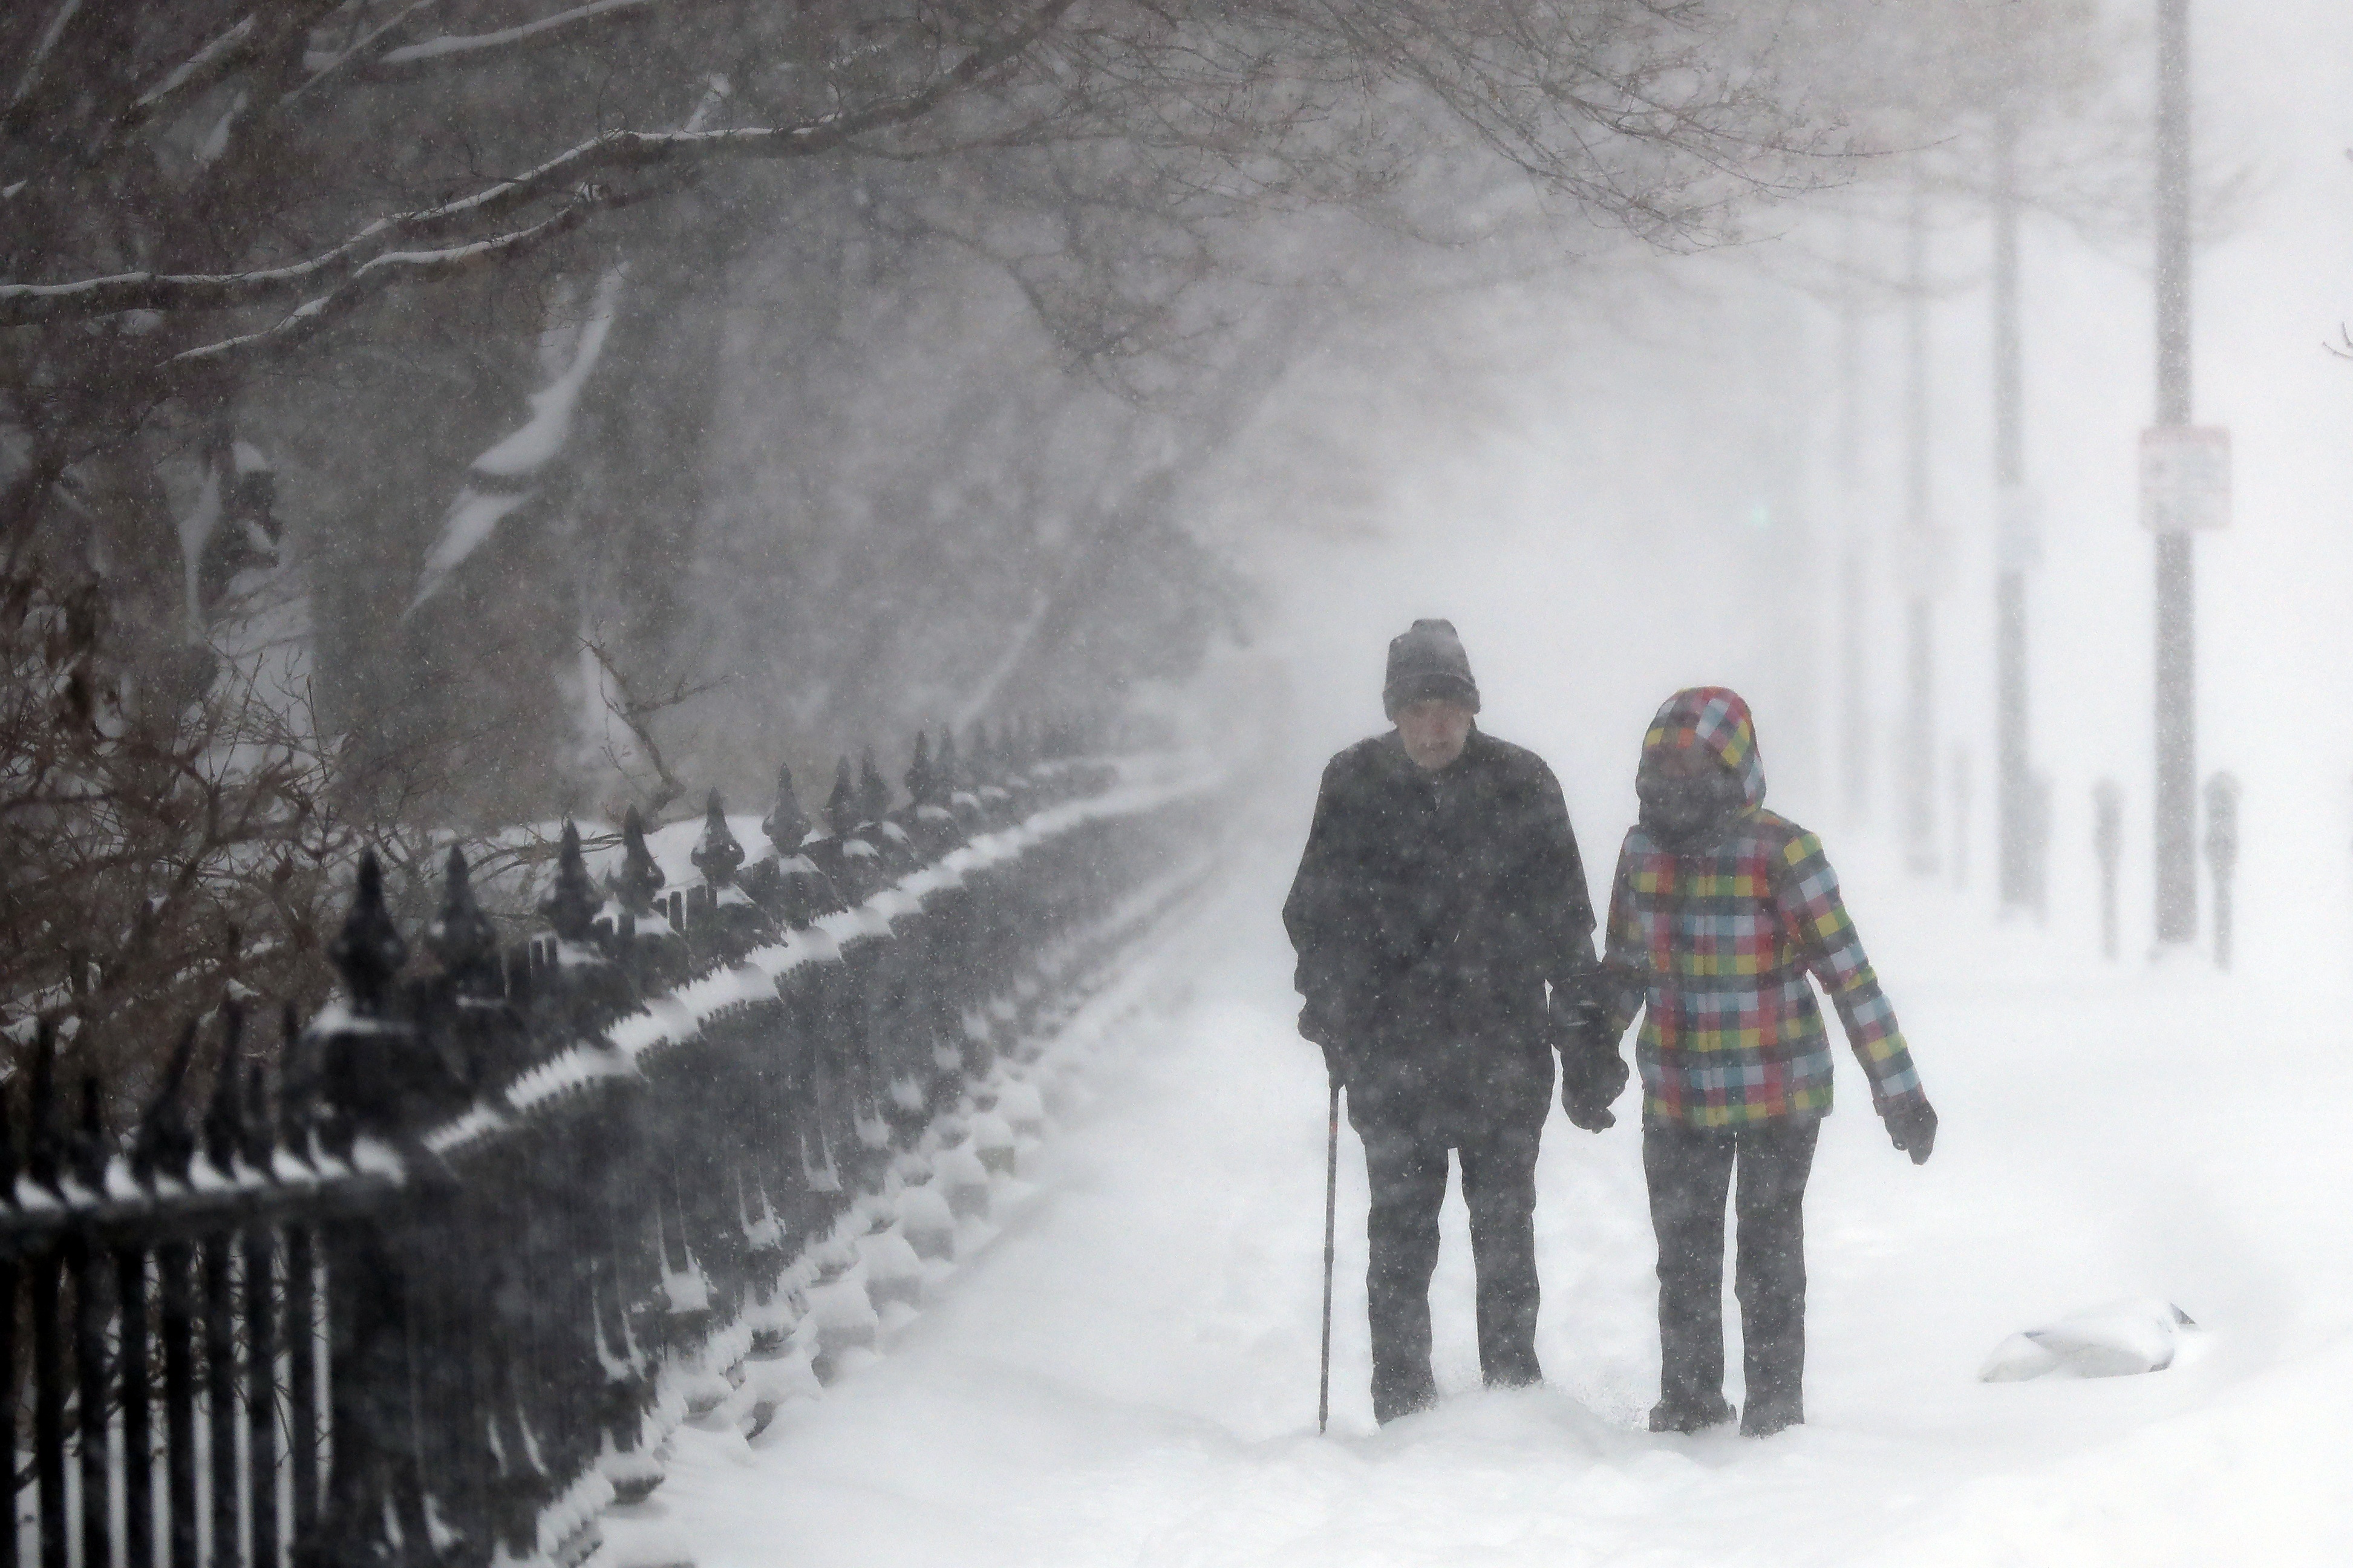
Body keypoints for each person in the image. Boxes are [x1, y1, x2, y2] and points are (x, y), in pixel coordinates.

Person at [1283, 618, 1622, 1425]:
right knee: (1400, 1236)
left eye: (1446, 708)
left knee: (1505, 1229)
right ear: (1393, 714)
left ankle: (1512, 1397)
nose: (1432, 727)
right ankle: (1401, 1403)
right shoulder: (1353, 783)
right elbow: (1314, 912)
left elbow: (1566, 926)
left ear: (1471, 709)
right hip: (1390, 1052)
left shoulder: (1522, 784)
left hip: (1501, 1048)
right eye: (1416, 710)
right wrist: (1329, 1005)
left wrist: (1584, 1042)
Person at [1594, 687, 1937, 1439]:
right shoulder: (1641, 852)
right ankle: (1689, 1403)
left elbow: (1848, 975)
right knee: (1682, 1255)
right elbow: (1624, 964)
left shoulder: (1780, 852)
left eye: (1691, 768)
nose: (1674, 784)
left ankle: (1774, 1410)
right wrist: (1595, 1052)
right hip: (1678, 1094)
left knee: (1767, 1252)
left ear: (1731, 770)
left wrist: (1898, 1092)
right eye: (1663, 768)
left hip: (1778, 1094)